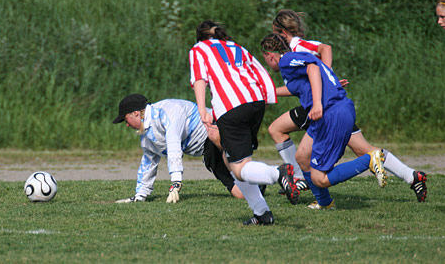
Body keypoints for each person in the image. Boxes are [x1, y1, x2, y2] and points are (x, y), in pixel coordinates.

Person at [268, 9, 428, 203]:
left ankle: (298, 179)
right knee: (363, 150)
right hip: (324, 103)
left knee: (277, 129)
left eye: (275, 33)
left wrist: (330, 79)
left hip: (322, 105)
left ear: (283, 33)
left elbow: (325, 48)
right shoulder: (292, 51)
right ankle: (412, 176)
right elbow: (298, 85)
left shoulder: (297, 45)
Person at [189, 20, 299, 226]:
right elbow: (261, 73)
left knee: (239, 167)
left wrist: (203, 110)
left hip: (232, 107)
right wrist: (263, 102)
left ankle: (279, 174)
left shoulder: (199, 48)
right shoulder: (236, 46)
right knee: (230, 157)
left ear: (200, 37)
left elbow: (199, 79)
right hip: (256, 101)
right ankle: (262, 213)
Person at [261, 33, 387, 209]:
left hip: (330, 113)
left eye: (264, 58)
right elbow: (296, 87)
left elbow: (312, 69)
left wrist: (318, 103)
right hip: (333, 110)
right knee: (302, 157)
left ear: (270, 55)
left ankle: (370, 158)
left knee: (319, 179)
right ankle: (325, 203)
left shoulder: (286, 60)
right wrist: (265, 94)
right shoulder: (299, 59)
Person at [113, 94, 248, 203]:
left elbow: (174, 145)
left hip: (218, 130)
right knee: (240, 194)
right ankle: (258, 183)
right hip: (208, 150)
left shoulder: (167, 111)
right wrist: (139, 197)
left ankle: (256, 175)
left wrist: (176, 182)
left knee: (235, 166)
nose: (127, 125)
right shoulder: (147, 136)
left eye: (126, 120)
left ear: (136, 113)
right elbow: (148, 164)